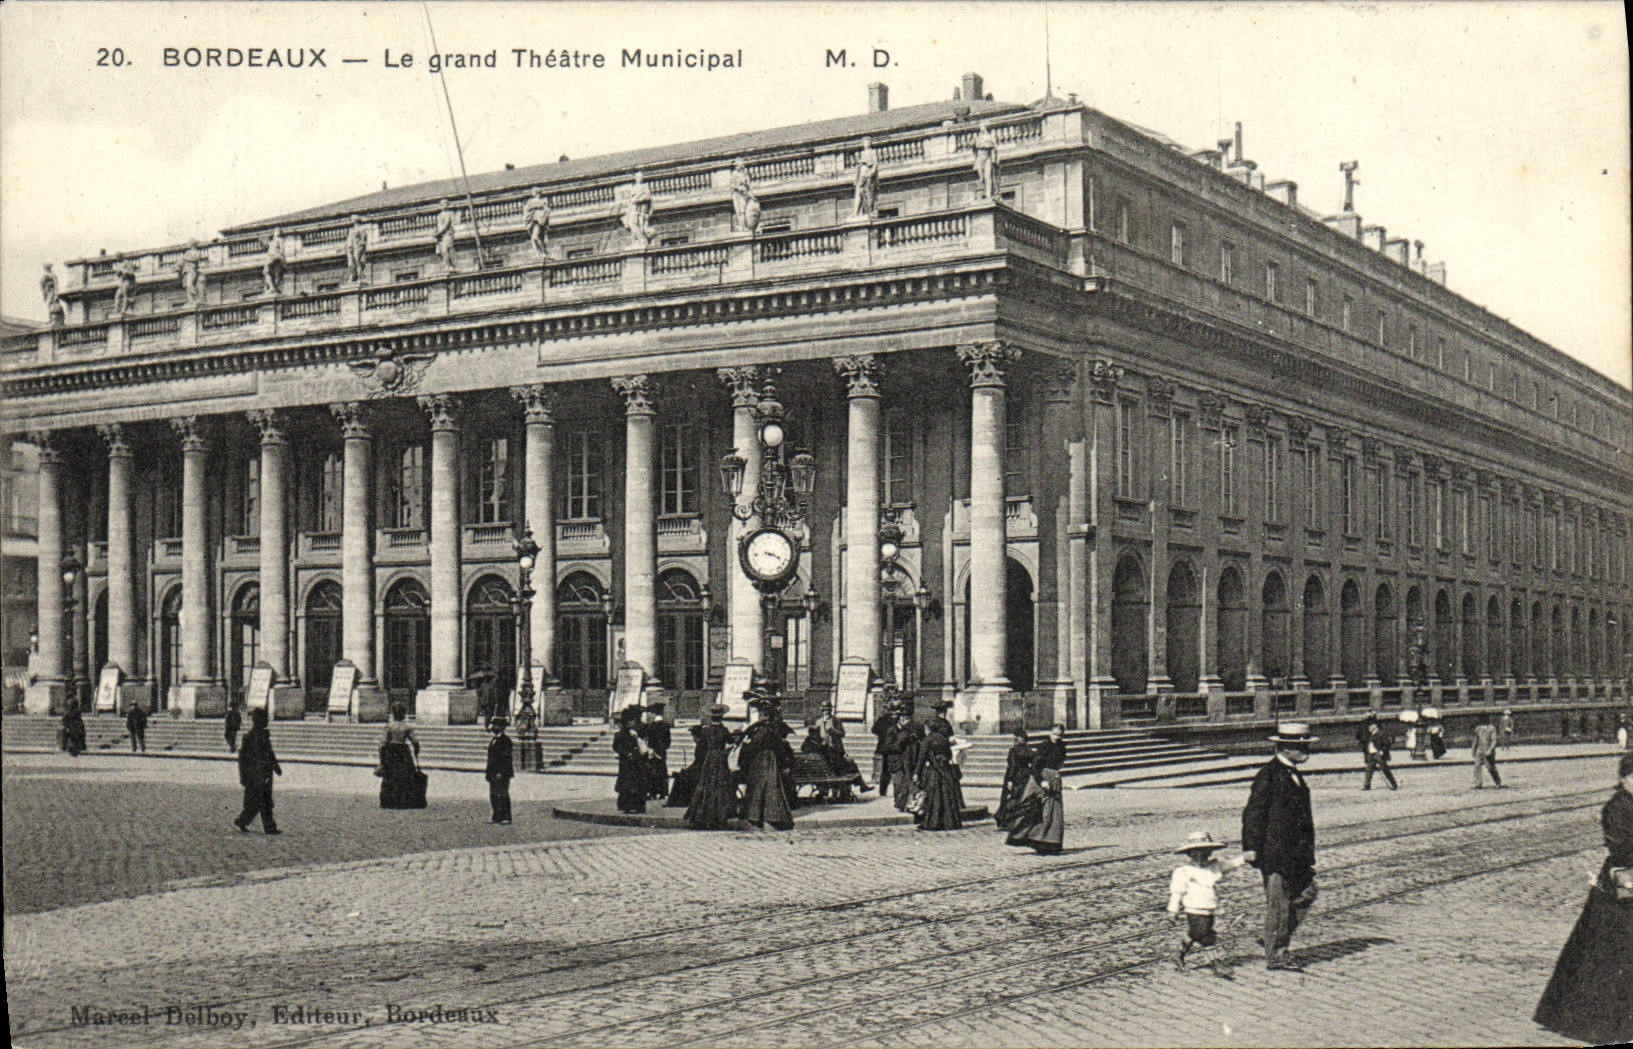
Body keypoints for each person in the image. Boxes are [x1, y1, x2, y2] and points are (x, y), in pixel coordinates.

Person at [1532, 752, 1633, 1045]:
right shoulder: (1617, 807)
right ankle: (1593, 1020)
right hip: (1618, 891)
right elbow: (1623, 850)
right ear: (1624, 778)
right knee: (1606, 955)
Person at [1241, 721, 1319, 971]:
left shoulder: (1293, 773)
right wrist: (1251, 847)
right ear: (1285, 748)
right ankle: (1276, 954)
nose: (1307, 750)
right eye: (1302, 746)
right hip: (1276, 853)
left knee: (1307, 892)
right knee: (1279, 904)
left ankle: (1273, 937)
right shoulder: (1270, 774)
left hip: (1296, 854)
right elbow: (1253, 813)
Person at [1167, 831, 1250, 971]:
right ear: (1190, 854)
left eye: (1205, 853)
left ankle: (1178, 954)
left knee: (1194, 933)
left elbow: (1230, 864)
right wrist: (1172, 910)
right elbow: (1177, 893)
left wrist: (1244, 858)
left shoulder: (1214, 867)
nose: (1201, 856)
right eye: (1196, 853)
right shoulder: (1184, 871)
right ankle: (1215, 963)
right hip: (1193, 909)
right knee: (1206, 936)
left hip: (1209, 908)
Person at [738, 694, 796, 830]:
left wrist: (747, 746)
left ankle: (760, 816)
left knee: (761, 788)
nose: (758, 717)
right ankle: (768, 815)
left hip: (762, 761)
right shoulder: (769, 729)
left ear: (766, 716)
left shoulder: (763, 730)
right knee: (768, 788)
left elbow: (756, 746)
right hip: (768, 762)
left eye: (761, 714)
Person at [685, 704, 738, 830]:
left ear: (711, 717)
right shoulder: (724, 730)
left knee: (706, 784)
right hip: (720, 759)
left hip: (709, 759)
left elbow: (701, 744)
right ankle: (719, 817)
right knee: (720, 786)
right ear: (721, 717)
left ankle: (702, 816)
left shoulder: (706, 730)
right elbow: (731, 742)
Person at [233, 708, 282, 834]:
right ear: (257, 721)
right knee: (258, 802)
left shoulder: (264, 736)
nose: (266, 721)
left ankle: (263, 825)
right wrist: (243, 776)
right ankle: (248, 821)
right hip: (255, 775)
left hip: (265, 774)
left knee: (264, 801)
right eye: (264, 719)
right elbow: (243, 759)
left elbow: (270, 753)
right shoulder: (249, 737)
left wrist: (276, 766)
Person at [1005, 766, 1065, 855]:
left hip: (1049, 777)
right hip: (1044, 778)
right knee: (1043, 812)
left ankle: (1046, 841)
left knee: (1050, 813)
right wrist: (1042, 780)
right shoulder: (1043, 754)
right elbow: (1036, 765)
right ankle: (1042, 841)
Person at [915, 724, 965, 831]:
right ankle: (950, 822)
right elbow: (949, 754)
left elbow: (921, 757)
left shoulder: (927, 740)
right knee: (946, 796)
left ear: (928, 729)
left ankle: (933, 822)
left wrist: (916, 773)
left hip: (934, 771)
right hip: (945, 770)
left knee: (934, 797)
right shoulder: (944, 739)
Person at [378, 703, 424, 809]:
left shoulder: (389, 727)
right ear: (403, 714)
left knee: (389, 776)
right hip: (403, 753)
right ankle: (403, 800)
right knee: (405, 776)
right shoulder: (407, 727)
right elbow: (415, 742)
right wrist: (416, 752)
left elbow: (382, 743)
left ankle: (388, 801)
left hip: (391, 752)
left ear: (393, 714)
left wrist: (381, 759)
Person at [994, 727, 1034, 831]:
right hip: (1025, 775)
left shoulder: (1013, 751)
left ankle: (1004, 819)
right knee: (1020, 797)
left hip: (1015, 776)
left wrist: (1010, 780)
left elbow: (1013, 766)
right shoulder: (1029, 750)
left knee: (1009, 797)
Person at [612, 705, 650, 814]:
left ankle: (639, 806)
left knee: (638, 784)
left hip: (637, 762)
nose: (634, 722)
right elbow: (616, 747)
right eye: (632, 720)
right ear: (628, 722)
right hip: (627, 763)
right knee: (628, 785)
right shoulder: (620, 734)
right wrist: (626, 753)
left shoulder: (636, 732)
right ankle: (627, 806)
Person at [886, 704, 923, 813]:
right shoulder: (892, 730)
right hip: (896, 760)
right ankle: (899, 803)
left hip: (910, 760)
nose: (907, 720)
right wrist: (903, 736)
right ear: (900, 718)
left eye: (908, 718)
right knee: (898, 783)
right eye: (905, 717)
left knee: (908, 782)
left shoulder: (914, 729)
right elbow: (888, 747)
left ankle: (906, 804)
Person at [485, 715, 514, 825]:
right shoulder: (494, 739)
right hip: (493, 772)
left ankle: (506, 816)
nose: (493, 727)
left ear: (501, 727)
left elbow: (505, 758)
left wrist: (500, 772)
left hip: (502, 773)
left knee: (502, 794)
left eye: (495, 725)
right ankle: (496, 815)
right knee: (493, 794)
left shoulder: (505, 740)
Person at [1358, 713, 1397, 791]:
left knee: (1384, 769)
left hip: (1378, 754)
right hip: (1371, 754)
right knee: (1369, 769)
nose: (1369, 728)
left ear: (1374, 726)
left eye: (1370, 726)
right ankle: (1367, 785)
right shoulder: (1370, 734)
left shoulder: (1381, 734)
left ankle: (1393, 784)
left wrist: (1382, 751)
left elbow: (1386, 744)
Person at [641, 702, 672, 801]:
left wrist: (651, 750)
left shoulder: (651, 726)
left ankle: (653, 792)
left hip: (653, 752)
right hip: (662, 752)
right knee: (662, 771)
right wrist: (663, 748)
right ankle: (663, 793)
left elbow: (648, 741)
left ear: (654, 714)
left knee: (652, 772)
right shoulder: (666, 726)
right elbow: (668, 741)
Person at [729, 157, 760, 233]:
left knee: (744, 210)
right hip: (737, 194)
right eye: (736, 166)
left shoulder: (745, 174)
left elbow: (749, 185)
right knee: (739, 210)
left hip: (745, 194)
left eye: (737, 165)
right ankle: (742, 226)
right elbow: (732, 185)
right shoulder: (733, 174)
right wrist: (738, 188)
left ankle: (744, 226)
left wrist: (752, 195)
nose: (737, 167)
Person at [1472, 713, 1503, 789]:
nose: (1482, 721)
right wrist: (1473, 750)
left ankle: (1497, 781)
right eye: (1481, 719)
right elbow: (1476, 740)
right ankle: (1478, 784)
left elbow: (1494, 740)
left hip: (1488, 751)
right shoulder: (1478, 728)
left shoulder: (1491, 728)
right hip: (1479, 751)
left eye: (1484, 719)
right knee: (1477, 766)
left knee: (1490, 767)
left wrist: (1490, 750)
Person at [972, 121, 1000, 199]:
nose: (982, 128)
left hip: (988, 157)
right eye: (981, 127)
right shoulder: (977, 138)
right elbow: (974, 149)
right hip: (980, 158)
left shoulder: (990, 137)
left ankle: (989, 194)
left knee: (988, 176)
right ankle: (987, 190)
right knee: (982, 178)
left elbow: (995, 147)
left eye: (983, 126)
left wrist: (994, 159)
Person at [853, 137, 879, 217]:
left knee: (868, 193)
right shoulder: (862, 153)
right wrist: (856, 178)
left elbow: (875, 164)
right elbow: (858, 167)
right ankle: (856, 212)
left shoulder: (873, 152)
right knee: (858, 192)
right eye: (865, 142)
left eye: (868, 141)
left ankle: (870, 211)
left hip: (868, 174)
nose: (867, 143)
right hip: (861, 175)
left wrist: (871, 173)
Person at [523, 189, 552, 256]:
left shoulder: (544, 200)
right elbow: (526, 210)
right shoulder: (530, 201)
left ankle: (542, 252)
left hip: (540, 221)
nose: (537, 194)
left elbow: (547, 210)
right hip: (534, 220)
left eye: (538, 193)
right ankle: (539, 253)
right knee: (535, 238)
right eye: (536, 193)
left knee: (539, 237)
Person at [344, 214, 369, 283]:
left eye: (352, 219)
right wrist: (349, 248)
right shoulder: (351, 230)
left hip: (358, 248)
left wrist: (360, 248)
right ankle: (353, 276)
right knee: (351, 263)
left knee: (358, 262)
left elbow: (363, 240)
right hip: (351, 249)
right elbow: (350, 240)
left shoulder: (361, 229)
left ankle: (360, 276)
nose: (351, 221)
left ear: (355, 220)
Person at [434, 200, 458, 271]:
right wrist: (437, 233)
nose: (443, 205)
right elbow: (439, 226)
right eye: (442, 204)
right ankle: (448, 265)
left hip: (447, 234)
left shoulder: (449, 214)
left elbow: (446, 225)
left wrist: (439, 233)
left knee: (445, 250)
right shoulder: (439, 215)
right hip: (441, 236)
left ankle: (449, 266)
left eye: (445, 204)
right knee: (439, 252)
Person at [262, 228, 287, 295]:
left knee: (278, 274)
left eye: (278, 231)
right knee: (267, 272)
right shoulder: (271, 242)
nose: (277, 232)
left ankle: (274, 287)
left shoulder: (280, 240)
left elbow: (282, 250)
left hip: (277, 258)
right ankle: (272, 287)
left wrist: (279, 256)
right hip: (270, 258)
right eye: (276, 231)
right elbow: (266, 248)